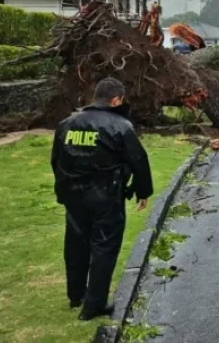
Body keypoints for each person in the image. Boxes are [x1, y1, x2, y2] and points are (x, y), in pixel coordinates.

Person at [50, 77, 153, 320]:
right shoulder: (120, 125)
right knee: (104, 247)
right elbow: (137, 159)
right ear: (116, 99)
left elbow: (56, 160)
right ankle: (93, 305)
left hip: (73, 195)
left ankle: (76, 295)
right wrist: (143, 190)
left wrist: (64, 188)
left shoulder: (67, 124)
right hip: (106, 196)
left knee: (76, 245)